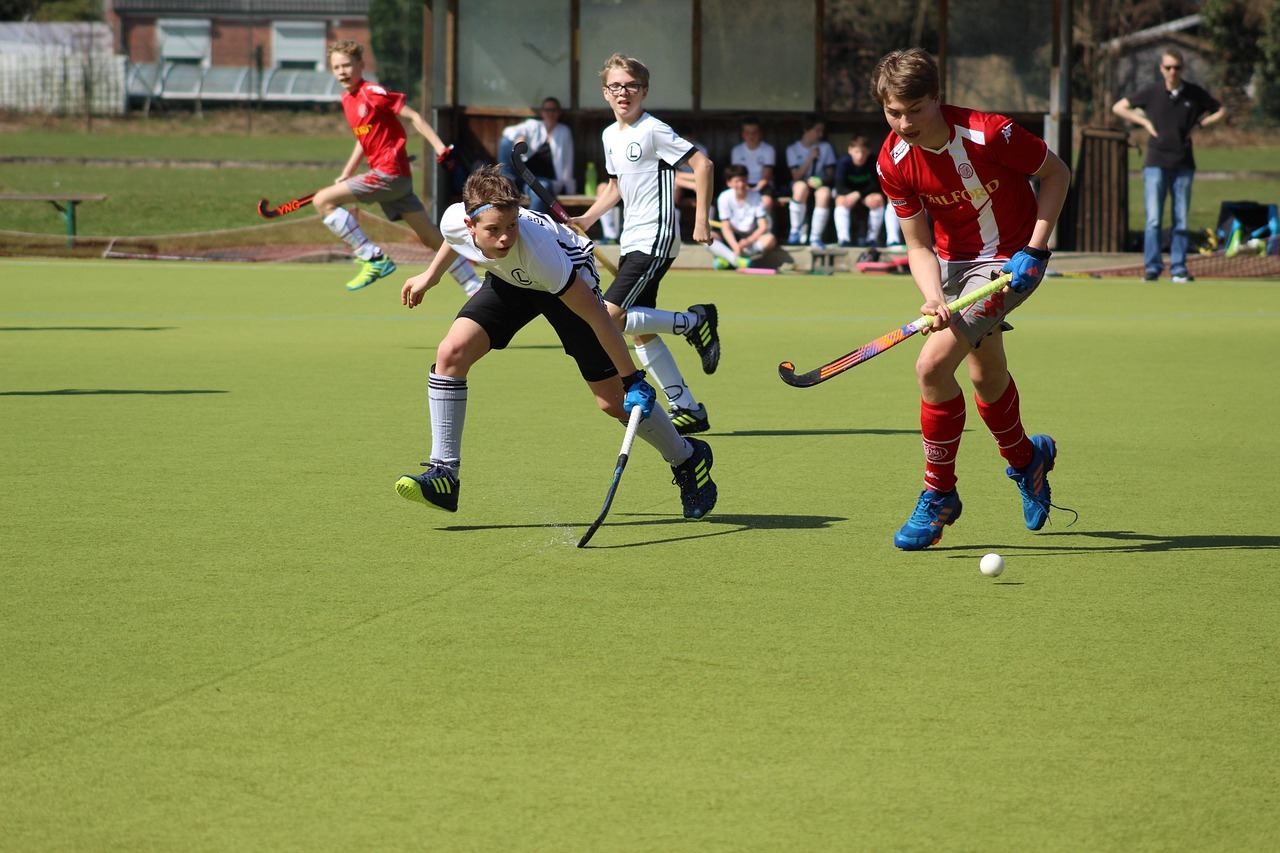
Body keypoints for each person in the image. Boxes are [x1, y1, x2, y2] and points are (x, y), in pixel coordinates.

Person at [394, 165, 717, 521]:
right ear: (471, 225)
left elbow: (598, 316)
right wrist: (431, 275)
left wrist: (632, 379)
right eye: (494, 230)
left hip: (564, 281)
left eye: (511, 226)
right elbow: (453, 239)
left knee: (612, 402)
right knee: (451, 352)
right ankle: (445, 473)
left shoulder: (539, 254)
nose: (504, 238)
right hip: (511, 280)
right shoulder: (456, 219)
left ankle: (688, 457)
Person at [870, 47, 1072, 551]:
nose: (905, 123)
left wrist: (1035, 248)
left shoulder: (989, 132)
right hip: (953, 264)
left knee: (931, 368)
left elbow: (1056, 174)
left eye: (915, 110)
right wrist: (933, 297)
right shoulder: (892, 160)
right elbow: (917, 244)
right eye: (893, 113)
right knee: (986, 372)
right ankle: (1028, 460)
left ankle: (939, 495)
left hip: (1008, 262)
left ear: (936, 99)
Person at [572, 53, 721, 438]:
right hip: (631, 237)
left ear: (644, 91)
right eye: (616, 87)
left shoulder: (653, 129)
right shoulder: (609, 135)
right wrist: (588, 218)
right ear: (605, 92)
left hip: (655, 235)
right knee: (639, 329)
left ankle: (694, 321)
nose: (624, 93)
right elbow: (616, 186)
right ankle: (687, 407)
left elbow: (702, 165)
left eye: (631, 86)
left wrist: (701, 219)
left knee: (609, 316)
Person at [315, 40, 482, 295]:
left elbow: (414, 116)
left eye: (347, 65)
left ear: (361, 65)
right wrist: (347, 173)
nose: (342, 72)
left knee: (322, 201)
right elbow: (364, 139)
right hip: (396, 180)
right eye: (336, 67)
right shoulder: (347, 99)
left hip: (389, 173)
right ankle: (474, 286)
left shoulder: (372, 92)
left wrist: (440, 148)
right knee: (432, 238)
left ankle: (371, 257)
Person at [1112, 48, 1226, 282]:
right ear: (1161, 69)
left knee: (1181, 218)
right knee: (1154, 218)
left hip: (1183, 162)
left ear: (1182, 68)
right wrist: (1143, 121)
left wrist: (1201, 125)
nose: (1172, 72)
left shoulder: (1194, 93)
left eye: (1177, 67)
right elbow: (1119, 107)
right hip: (1155, 162)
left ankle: (1178, 267)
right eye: (1168, 67)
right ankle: (1152, 267)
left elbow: (1222, 110)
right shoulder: (1152, 91)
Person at [497, 96, 577, 214]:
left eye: (553, 110)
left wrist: (571, 191)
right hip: (522, 176)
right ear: (542, 112)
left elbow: (568, 162)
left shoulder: (563, 131)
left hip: (541, 180)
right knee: (505, 142)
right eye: (547, 110)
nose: (550, 113)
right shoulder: (534, 125)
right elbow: (508, 132)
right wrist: (519, 138)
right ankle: (505, 184)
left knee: (540, 192)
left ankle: (532, 227)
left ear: (558, 113)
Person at [706, 164, 776, 269]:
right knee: (706, 237)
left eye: (744, 180)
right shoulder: (724, 197)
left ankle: (727, 259)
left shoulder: (756, 196)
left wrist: (749, 241)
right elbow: (726, 227)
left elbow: (763, 226)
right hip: (730, 238)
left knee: (770, 239)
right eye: (737, 181)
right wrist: (735, 246)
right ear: (729, 183)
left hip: (748, 239)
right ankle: (735, 260)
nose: (741, 184)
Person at [832, 135, 896, 248]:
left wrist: (859, 195)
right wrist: (855, 195)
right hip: (848, 195)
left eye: (863, 152)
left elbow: (876, 185)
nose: (860, 156)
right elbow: (839, 186)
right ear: (850, 150)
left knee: (877, 200)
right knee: (840, 200)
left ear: (869, 152)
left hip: (866, 195)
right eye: (856, 152)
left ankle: (872, 239)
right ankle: (843, 239)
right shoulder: (843, 162)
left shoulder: (873, 161)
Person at [784, 114, 837, 248]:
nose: (820, 135)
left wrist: (821, 180)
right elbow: (796, 176)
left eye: (822, 131)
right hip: (800, 183)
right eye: (817, 130)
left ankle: (815, 237)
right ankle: (795, 231)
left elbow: (830, 175)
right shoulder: (793, 149)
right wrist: (811, 159)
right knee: (801, 187)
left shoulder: (826, 147)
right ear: (806, 130)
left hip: (818, 184)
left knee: (824, 194)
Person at [730, 116, 778, 217]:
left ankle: (765, 229)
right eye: (747, 132)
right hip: (743, 183)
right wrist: (744, 187)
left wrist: (755, 190)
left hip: (762, 185)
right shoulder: (737, 151)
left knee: (766, 202)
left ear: (760, 133)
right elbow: (736, 174)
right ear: (743, 134)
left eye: (754, 132)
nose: (751, 136)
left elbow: (766, 177)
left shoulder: (768, 150)